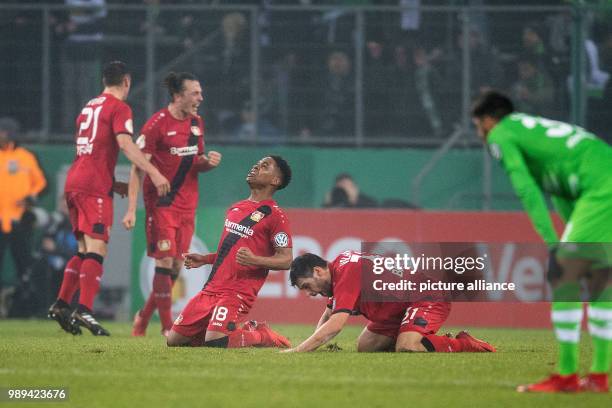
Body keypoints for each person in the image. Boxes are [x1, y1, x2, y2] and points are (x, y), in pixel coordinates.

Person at [471, 91, 612, 393]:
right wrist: (569, 237)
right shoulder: (532, 132)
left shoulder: (501, 134)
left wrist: (553, 244)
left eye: (478, 125)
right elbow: (562, 192)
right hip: (602, 175)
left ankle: (566, 375)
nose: (479, 133)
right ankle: (600, 376)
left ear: (488, 120)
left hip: (601, 186)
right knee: (602, 279)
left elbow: (526, 190)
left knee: (566, 275)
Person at [47, 61, 171, 336]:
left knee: (82, 249)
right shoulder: (119, 108)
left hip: (75, 181)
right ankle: (85, 309)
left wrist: (112, 183)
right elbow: (126, 144)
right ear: (126, 81)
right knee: (97, 248)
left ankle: (61, 303)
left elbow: (89, 150)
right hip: (92, 188)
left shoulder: (89, 106)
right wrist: (154, 172)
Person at [123, 72, 222, 337]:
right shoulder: (156, 124)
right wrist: (132, 208)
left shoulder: (196, 124)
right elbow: (136, 167)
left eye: (200, 93)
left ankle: (143, 317)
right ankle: (169, 329)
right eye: (195, 93)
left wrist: (207, 164)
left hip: (188, 206)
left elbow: (195, 162)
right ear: (178, 96)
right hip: (162, 203)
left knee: (176, 267)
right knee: (165, 262)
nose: (200, 98)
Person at [166, 156, 292, 349]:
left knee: (216, 342)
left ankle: (262, 335)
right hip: (211, 288)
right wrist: (206, 259)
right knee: (174, 340)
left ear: (275, 181)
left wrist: (254, 259)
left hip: (237, 292)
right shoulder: (236, 207)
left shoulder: (275, 215)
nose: (256, 167)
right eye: (256, 164)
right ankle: (224, 332)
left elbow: (286, 260)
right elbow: (230, 252)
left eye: (264, 166)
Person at [284, 251, 495, 353]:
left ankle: (463, 344)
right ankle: (425, 338)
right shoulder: (339, 268)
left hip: (426, 297)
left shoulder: (346, 271)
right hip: (397, 310)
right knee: (365, 347)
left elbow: (336, 324)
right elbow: (329, 312)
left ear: (318, 271)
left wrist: (300, 350)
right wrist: (312, 345)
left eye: (306, 286)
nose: (309, 293)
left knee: (407, 347)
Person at [0, 117, 47, 317]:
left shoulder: (26, 156)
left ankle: (26, 308)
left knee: (25, 267)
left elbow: (43, 183)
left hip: (20, 221)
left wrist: (30, 198)